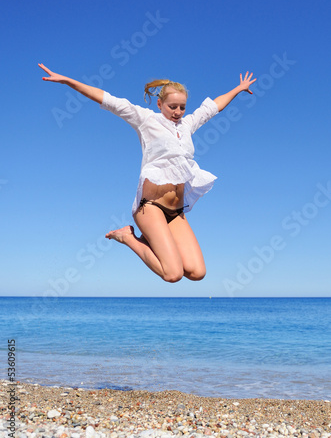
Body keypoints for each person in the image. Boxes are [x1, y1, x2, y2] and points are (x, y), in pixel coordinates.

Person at [38, 63, 256, 283]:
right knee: (173, 274)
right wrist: (69, 81)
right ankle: (127, 237)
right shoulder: (145, 119)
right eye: (172, 107)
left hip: (175, 212)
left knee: (197, 272)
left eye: (182, 107)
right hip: (149, 207)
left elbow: (212, 108)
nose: (177, 112)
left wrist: (238, 90)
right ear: (160, 103)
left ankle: (153, 239)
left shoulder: (186, 125)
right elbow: (107, 99)